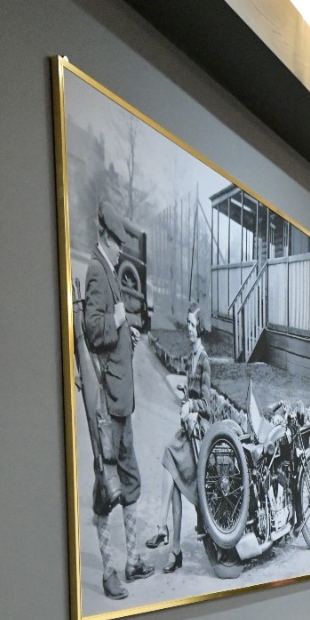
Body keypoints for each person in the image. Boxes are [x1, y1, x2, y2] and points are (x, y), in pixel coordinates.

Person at [83, 200, 154, 599]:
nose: (121, 251)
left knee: (130, 479)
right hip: (108, 406)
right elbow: (94, 329)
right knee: (106, 487)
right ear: (106, 237)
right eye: (118, 244)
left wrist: (129, 337)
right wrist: (117, 321)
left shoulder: (107, 269)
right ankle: (109, 570)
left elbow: (112, 333)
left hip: (120, 402)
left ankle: (132, 561)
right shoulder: (97, 270)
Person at [146, 304, 212, 572]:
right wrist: (185, 401)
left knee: (168, 456)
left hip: (201, 432)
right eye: (188, 324)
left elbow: (207, 404)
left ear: (200, 328)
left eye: (193, 325)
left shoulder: (204, 360)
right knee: (172, 479)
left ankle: (163, 528)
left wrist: (192, 406)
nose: (189, 329)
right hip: (188, 429)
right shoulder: (190, 358)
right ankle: (174, 549)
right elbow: (189, 395)